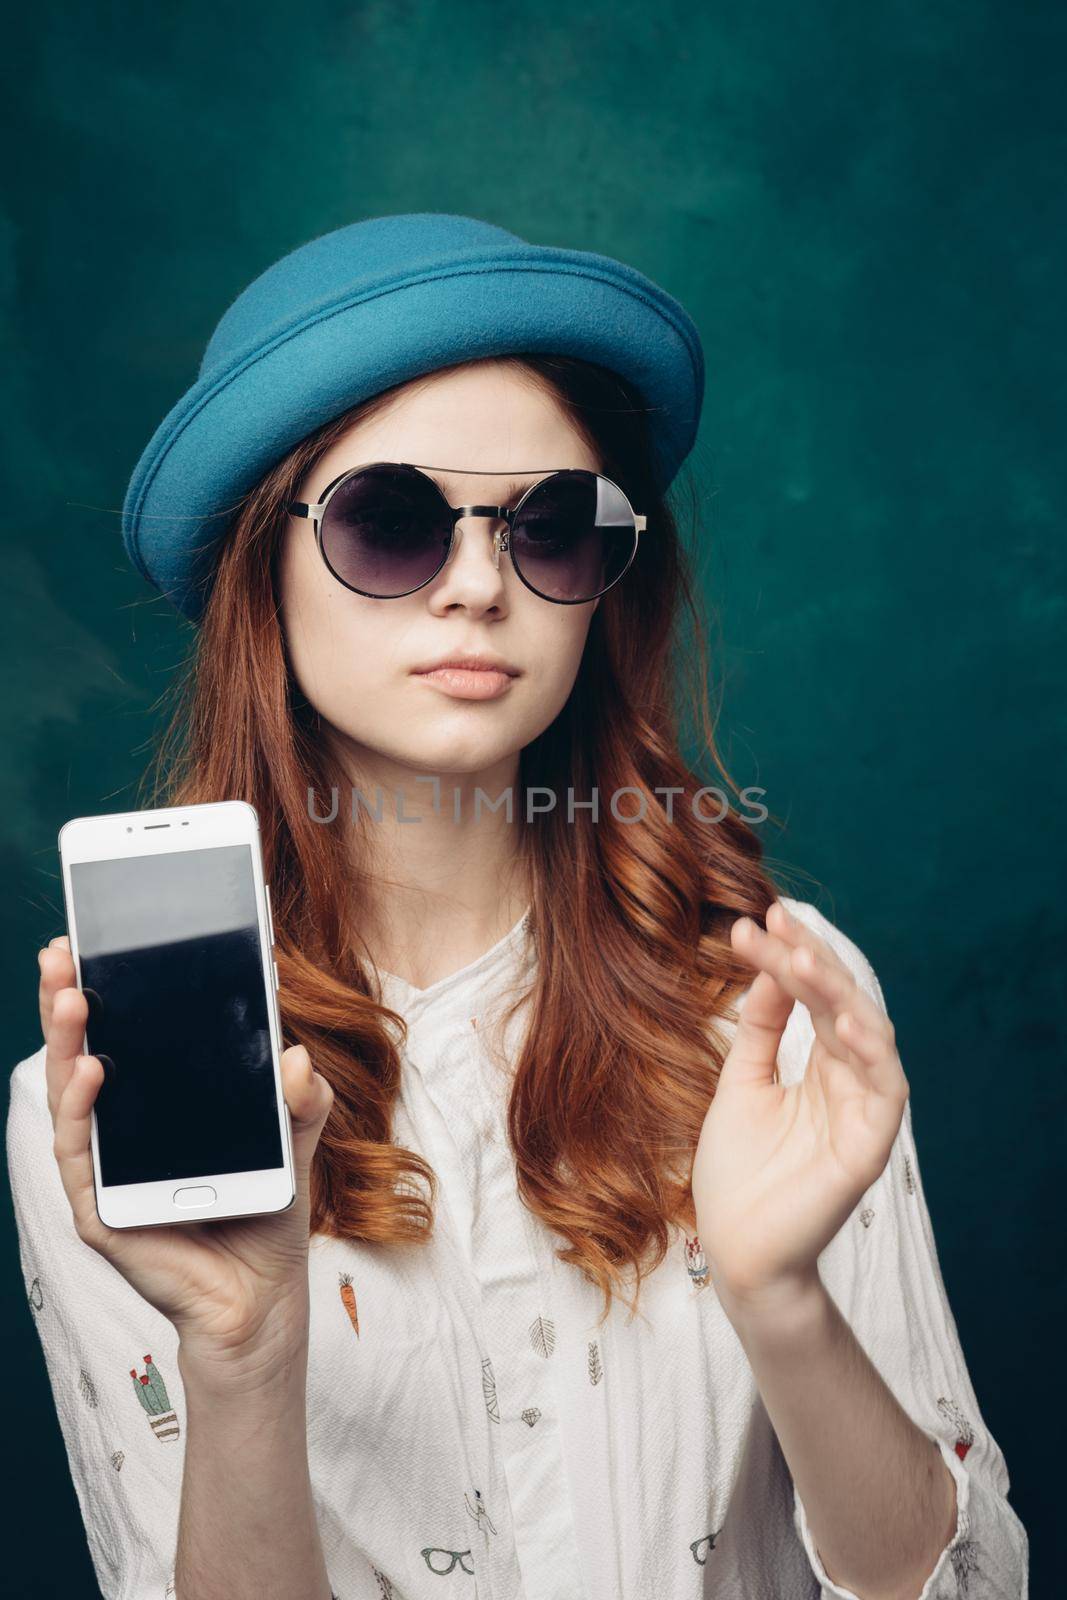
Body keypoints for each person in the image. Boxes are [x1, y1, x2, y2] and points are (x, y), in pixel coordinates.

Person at [7, 214, 1027, 1600]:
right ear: (263, 568)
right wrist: (243, 1358)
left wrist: (783, 1305)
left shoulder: (775, 999)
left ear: (607, 589)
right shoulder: (106, 1099)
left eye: (552, 526)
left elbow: (964, 1584)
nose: (481, 585)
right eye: (390, 522)